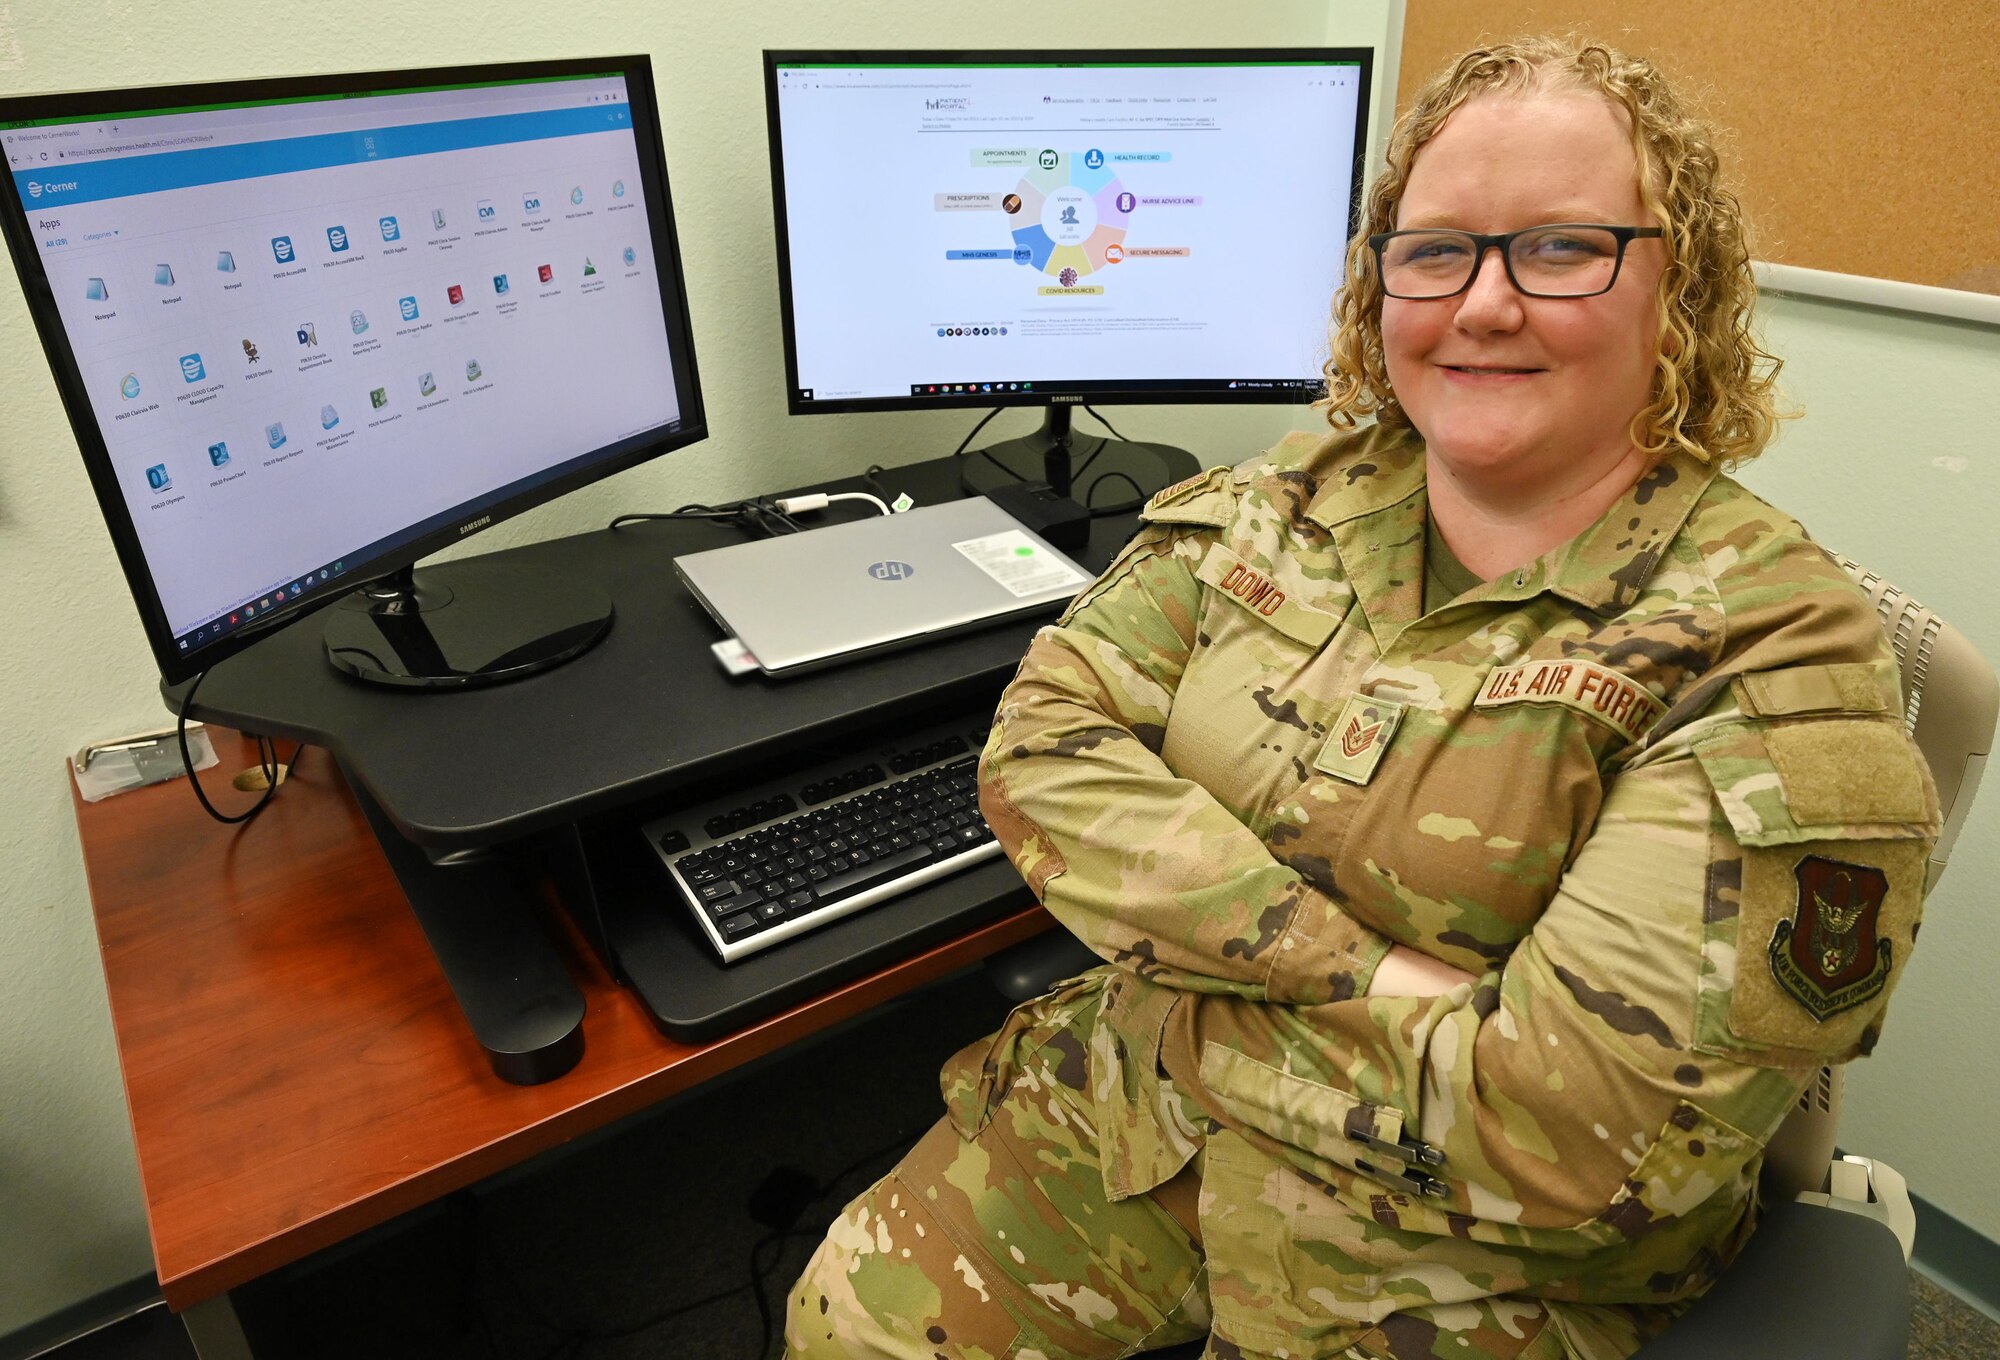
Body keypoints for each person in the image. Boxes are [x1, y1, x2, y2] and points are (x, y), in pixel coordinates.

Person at [786, 34, 1938, 1360]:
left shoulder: (1773, 649)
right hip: (1137, 1132)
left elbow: (1574, 1147)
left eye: (1561, 247)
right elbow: (1041, 746)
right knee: (844, 1327)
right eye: (1437, 248)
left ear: (1678, 291)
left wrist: (1181, 1007)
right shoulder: (1296, 491)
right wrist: (1366, 974)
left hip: (1478, 1263)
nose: (1483, 304)